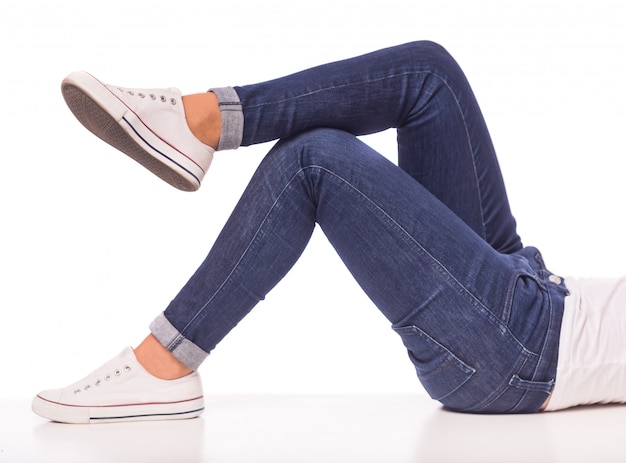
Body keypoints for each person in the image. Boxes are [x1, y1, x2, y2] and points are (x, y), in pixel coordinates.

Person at [32, 41, 626, 424]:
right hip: (532, 283)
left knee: (314, 161)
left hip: (520, 347)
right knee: (429, 74)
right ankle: (199, 120)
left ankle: (164, 362)